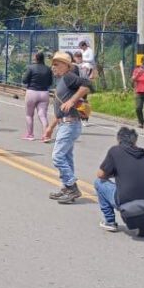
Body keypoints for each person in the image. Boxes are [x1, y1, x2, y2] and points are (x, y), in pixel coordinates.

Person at [95, 126, 144, 236]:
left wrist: (114, 173)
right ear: (135, 141)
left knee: (99, 183)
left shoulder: (115, 151)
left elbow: (100, 175)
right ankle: (142, 226)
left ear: (118, 139)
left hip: (125, 202)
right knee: (137, 189)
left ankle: (110, 222)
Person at [48, 51, 92, 203]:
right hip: (64, 123)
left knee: (57, 156)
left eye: (57, 64)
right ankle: (67, 188)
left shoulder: (68, 77)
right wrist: (50, 127)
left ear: (66, 66)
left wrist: (72, 101)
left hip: (70, 123)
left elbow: (87, 85)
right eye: (53, 64)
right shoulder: (62, 79)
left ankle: (72, 187)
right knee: (66, 157)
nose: (53, 67)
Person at [21, 52, 53, 141]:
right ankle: (46, 135)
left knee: (29, 115)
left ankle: (30, 135)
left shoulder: (31, 68)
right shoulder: (48, 69)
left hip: (32, 92)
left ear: (35, 58)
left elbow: (24, 80)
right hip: (44, 93)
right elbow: (50, 82)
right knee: (43, 115)